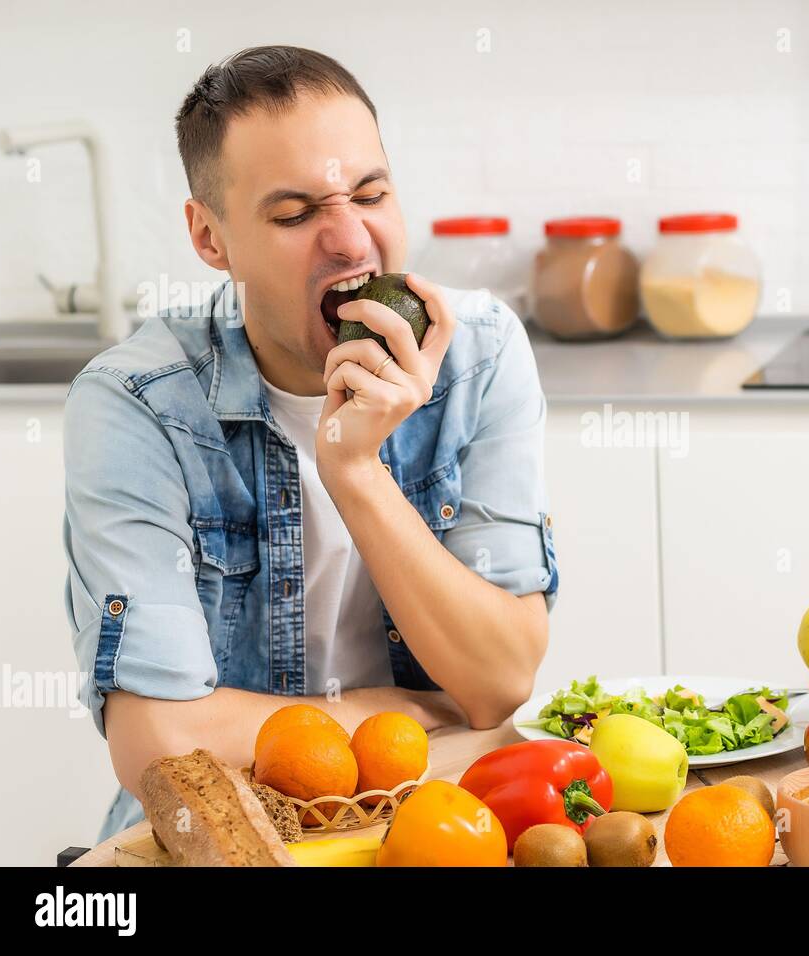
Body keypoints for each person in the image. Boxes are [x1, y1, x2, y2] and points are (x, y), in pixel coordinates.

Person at [62, 46, 557, 841]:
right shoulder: (136, 403)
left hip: (438, 815)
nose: (351, 240)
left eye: (371, 193)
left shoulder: (480, 354)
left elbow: (498, 681)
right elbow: (153, 740)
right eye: (294, 214)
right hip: (225, 833)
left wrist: (356, 471)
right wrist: (364, 716)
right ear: (210, 237)